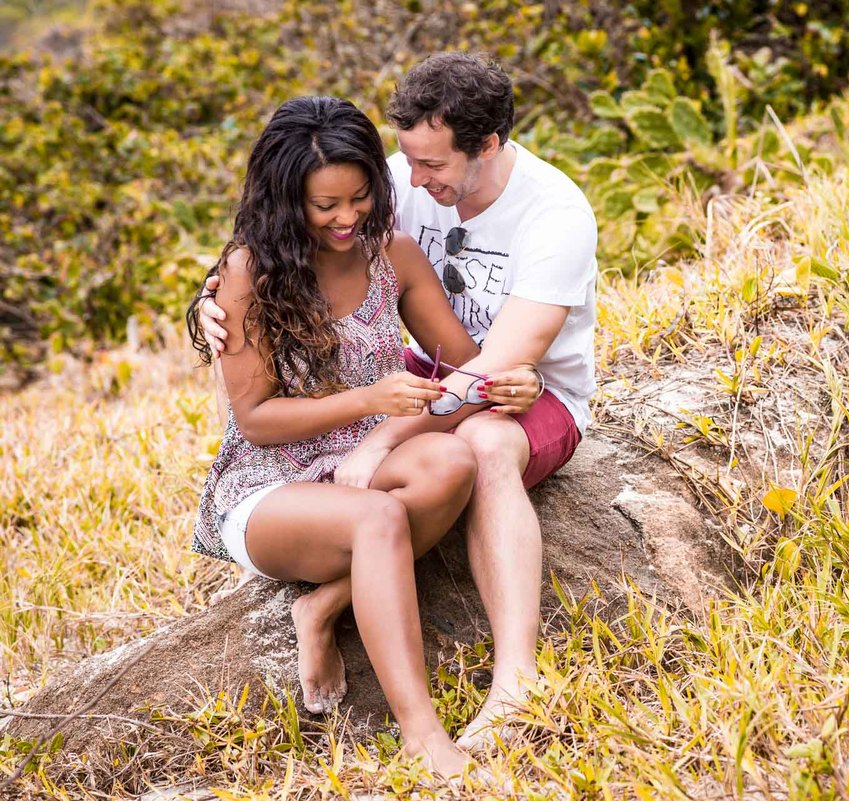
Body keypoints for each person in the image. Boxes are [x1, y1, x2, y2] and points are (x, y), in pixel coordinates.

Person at [196, 52, 599, 752]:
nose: (355, 211)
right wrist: (207, 301)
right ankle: (424, 735)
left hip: (408, 432)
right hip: (274, 475)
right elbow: (256, 416)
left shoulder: (499, 226)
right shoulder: (268, 259)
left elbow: (482, 366)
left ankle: (342, 612)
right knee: (385, 510)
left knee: (457, 459)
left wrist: (511, 385)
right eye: (328, 205)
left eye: (362, 198)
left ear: (487, 145)